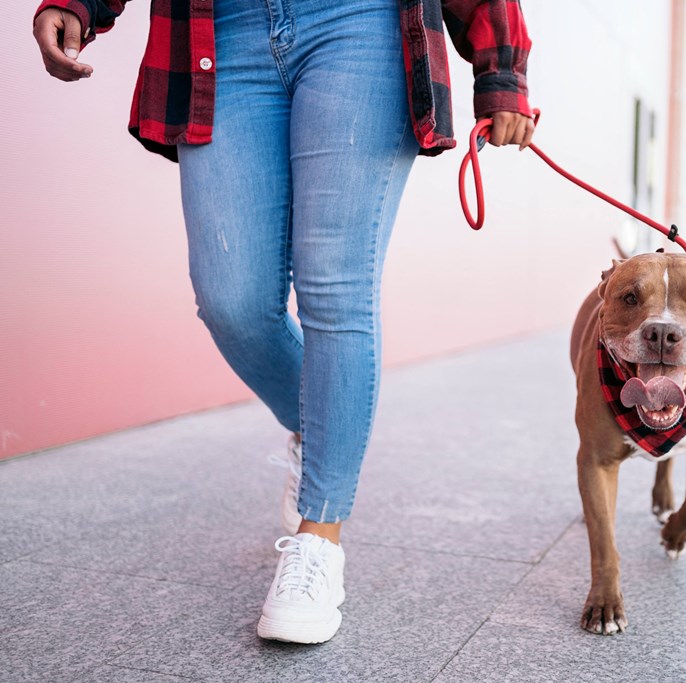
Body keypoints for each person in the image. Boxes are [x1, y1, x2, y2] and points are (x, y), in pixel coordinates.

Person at [32, 0, 534, 645]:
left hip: (361, 26)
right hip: (221, 28)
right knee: (230, 300)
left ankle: (318, 540)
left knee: (337, 289)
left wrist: (503, 73)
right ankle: (318, 422)